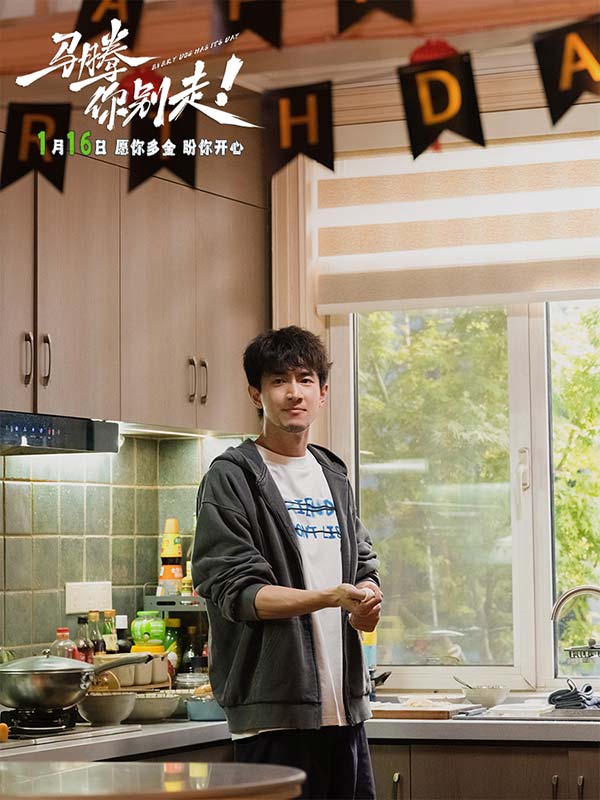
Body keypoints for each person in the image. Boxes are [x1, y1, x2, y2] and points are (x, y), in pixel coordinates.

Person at [192, 325, 382, 800]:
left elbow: (363, 563)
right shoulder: (233, 477)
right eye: (279, 380)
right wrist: (330, 598)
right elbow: (241, 593)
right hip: (272, 716)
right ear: (256, 394)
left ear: (323, 392)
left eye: (304, 379)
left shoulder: (332, 474)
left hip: (344, 711)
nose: (293, 392)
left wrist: (368, 598)